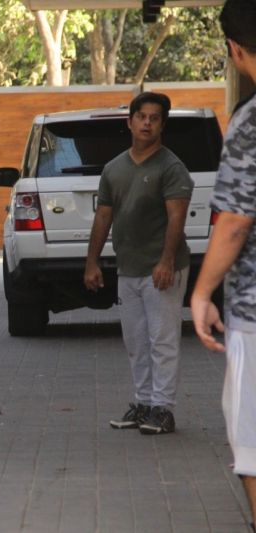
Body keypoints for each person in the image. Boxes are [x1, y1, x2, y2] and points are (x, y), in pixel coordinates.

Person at [84, 92, 193, 435]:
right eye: (141, 116)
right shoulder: (114, 168)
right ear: (129, 122)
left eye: (155, 118)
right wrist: (92, 262)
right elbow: (103, 217)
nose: (147, 123)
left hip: (162, 268)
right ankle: (143, 402)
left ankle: (163, 409)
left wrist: (166, 261)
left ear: (163, 124)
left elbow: (177, 219)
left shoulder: (171, 167)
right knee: (135, 339)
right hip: (127, 267)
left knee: (162, 339)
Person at [191, 0, 256, 525]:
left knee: (255, 447)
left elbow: (235, 223)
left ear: (235, 50)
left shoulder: (250, 123)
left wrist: (201, 292)